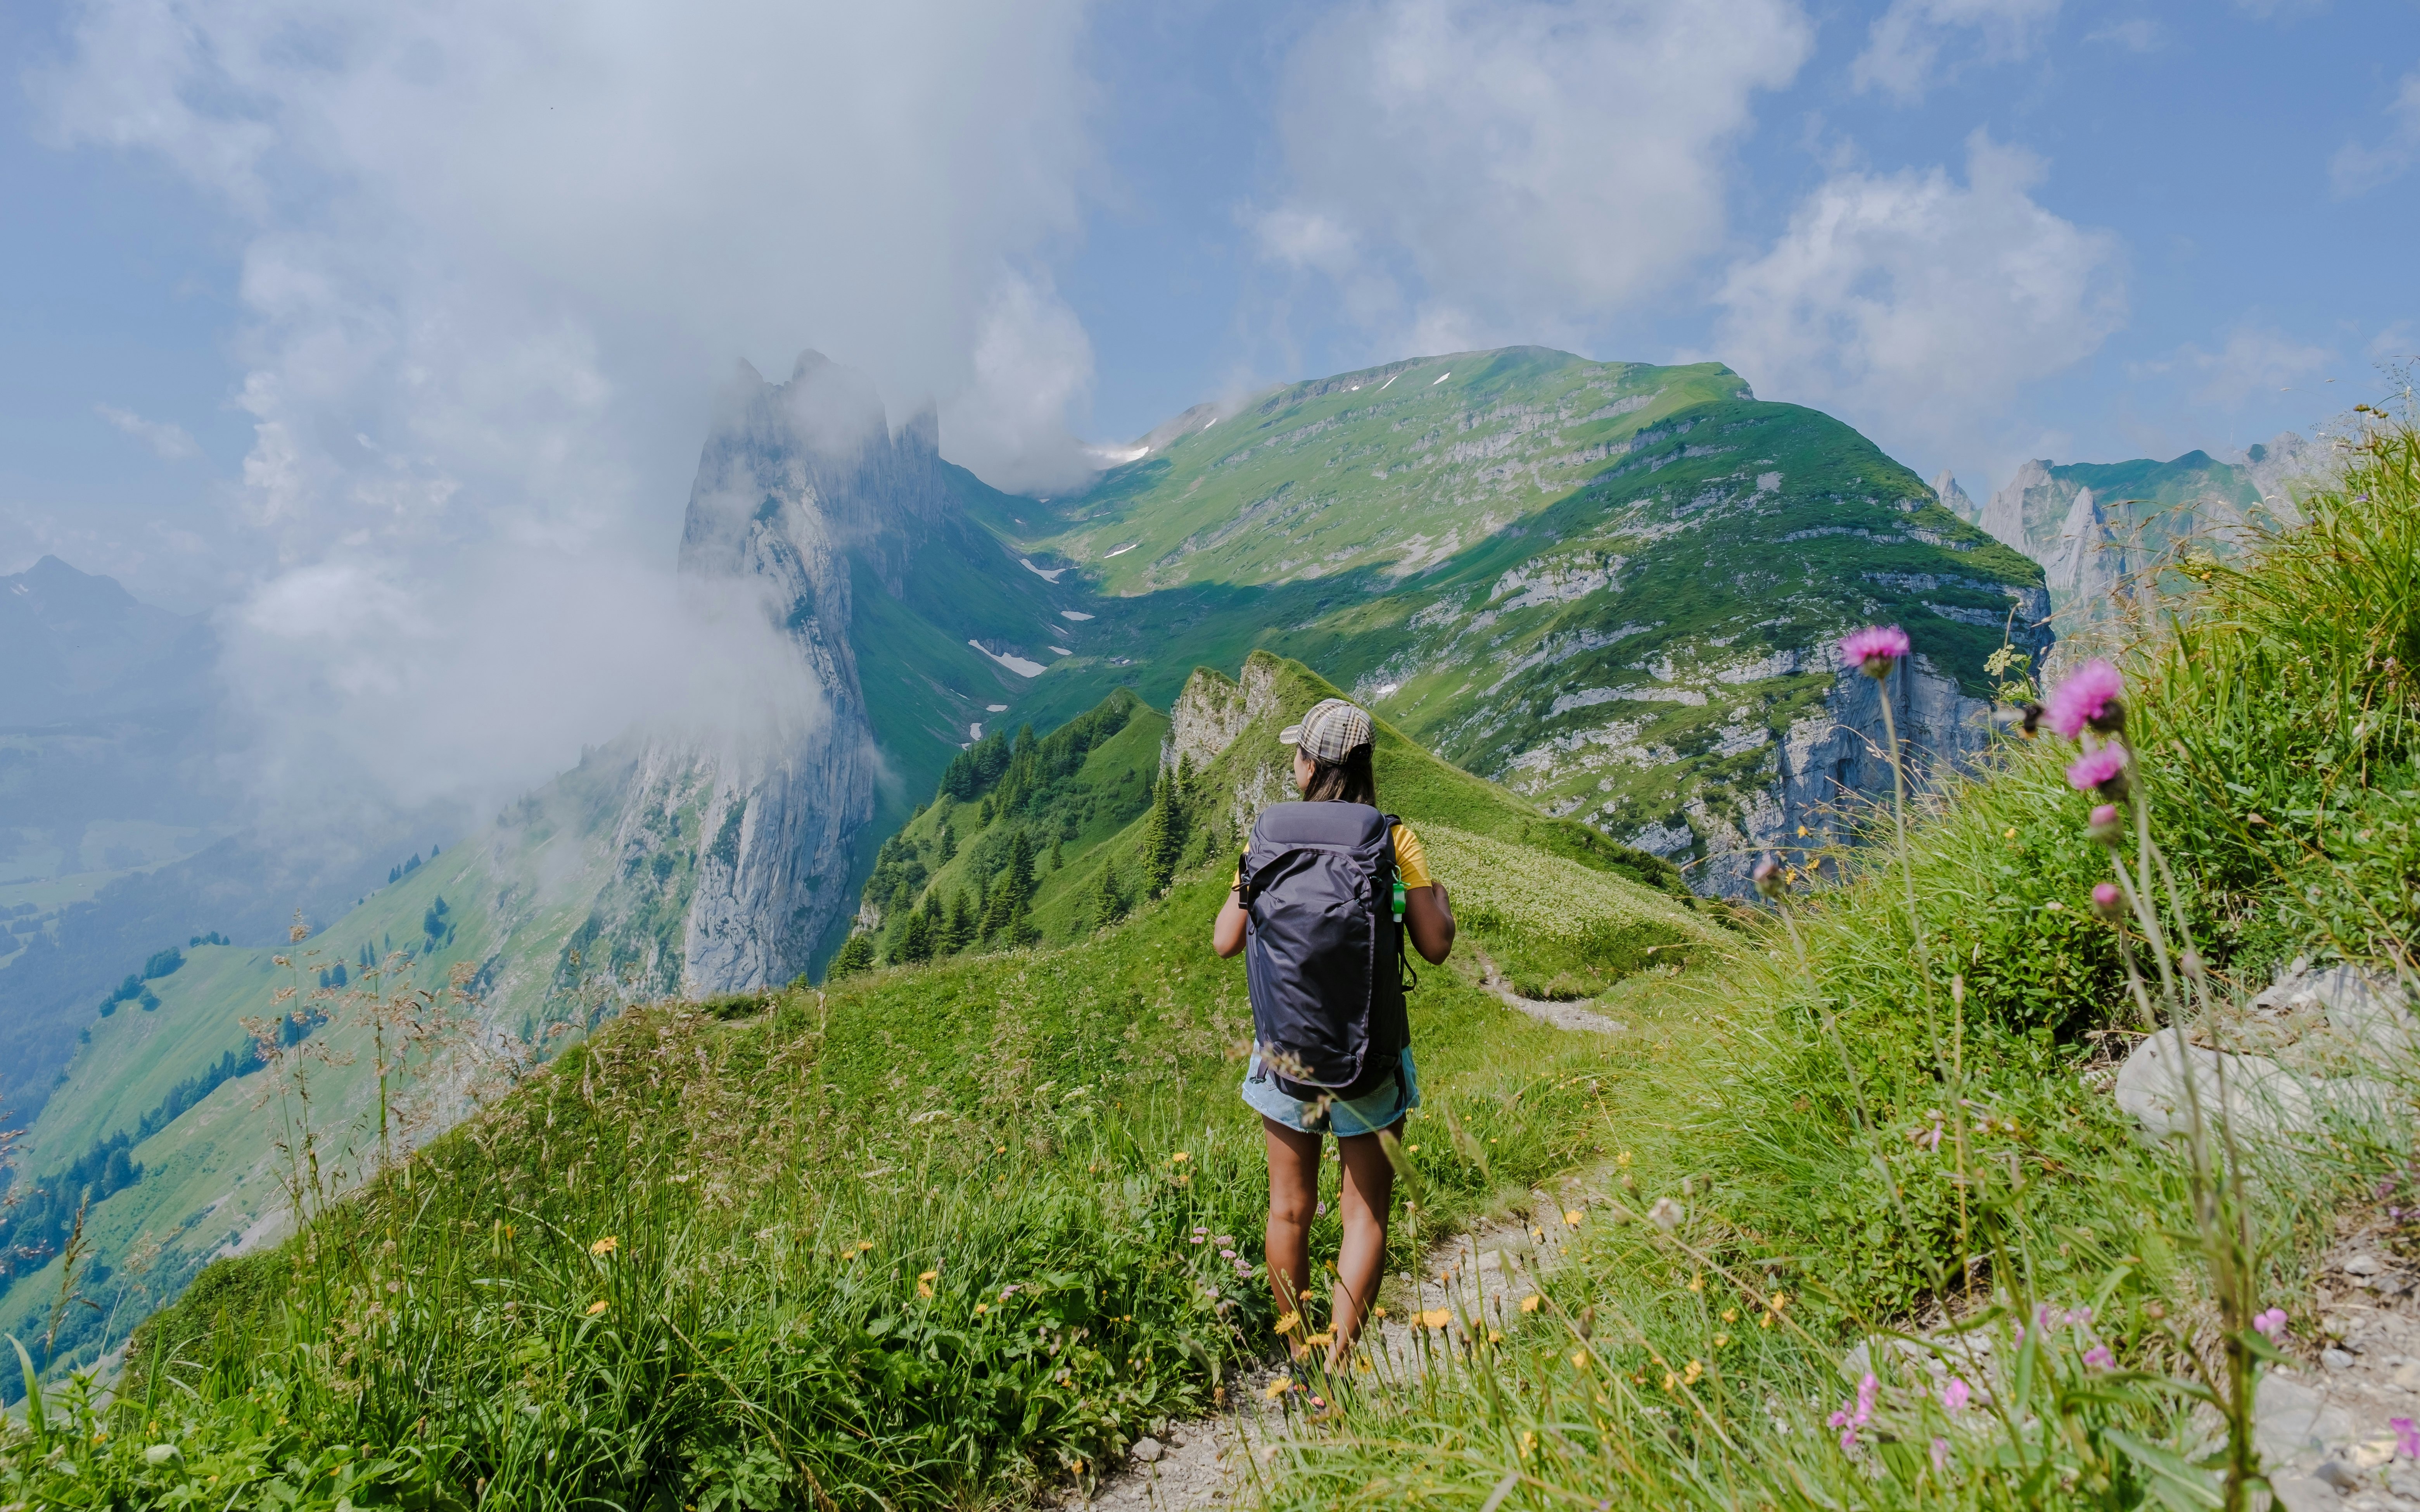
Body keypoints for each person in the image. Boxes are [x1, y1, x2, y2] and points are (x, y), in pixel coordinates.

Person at [1211, 697, 1455, 1370]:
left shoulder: (1266, 836)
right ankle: (1339, 1368)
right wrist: (1438, 901)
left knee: (1289, 1210)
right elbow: (1434, 947)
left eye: (1298, 754)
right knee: (1363, 1213)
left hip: (1285, 1054)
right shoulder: (1391, 838)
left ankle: (1298, 1355)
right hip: (1370, 1053)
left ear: (1312, 765)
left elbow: (1225, 940)